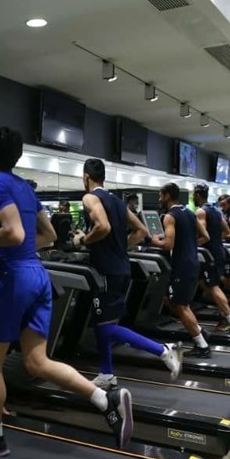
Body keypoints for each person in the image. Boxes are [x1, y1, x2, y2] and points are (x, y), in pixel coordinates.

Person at [0, 126, 133, 456]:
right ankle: (105, 399)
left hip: (13, 279)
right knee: (37, 362)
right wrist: (5, 249)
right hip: (37, 276)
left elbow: (14, 233)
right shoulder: (25, 188)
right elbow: (49, 235)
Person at [72, 159, 181, 390]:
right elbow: (141, 230)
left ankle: (163, 350)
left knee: (105, 327)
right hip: (121, 268)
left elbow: (103, 227)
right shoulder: (117, 201)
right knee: (103, 322)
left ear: (86, 177)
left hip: (107, 271)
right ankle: (107, 373)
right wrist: (121, 247)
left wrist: (83, 240)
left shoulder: (90, 198)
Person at [150, 183, 213, 358]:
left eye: (160, 195)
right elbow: (205, 236)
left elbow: (168, 244)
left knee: (181, 306)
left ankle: (202, 345)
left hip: (182, 265)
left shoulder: (170, 216)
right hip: (192, 262)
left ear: (167, 196)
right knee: (169, 300)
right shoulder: (190, 213)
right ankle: (199, 330)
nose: (159, 199)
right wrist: (189, 245)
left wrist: (154, 241)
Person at [192, 185, 230, 333]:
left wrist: (191, 244)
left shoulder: (201, 211)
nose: (193, 197)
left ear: (198, 195)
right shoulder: (216, 210)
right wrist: (216, 240)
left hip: (210, 254)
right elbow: (226, 231)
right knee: (206, 283)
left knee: (212, 286)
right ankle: (224, 313)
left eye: (194, 194)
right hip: (218, 251)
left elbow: (202, 235)